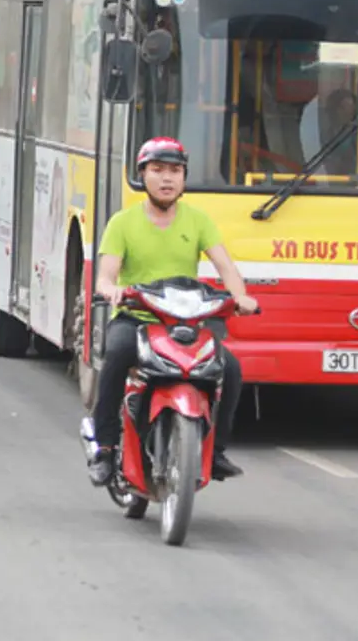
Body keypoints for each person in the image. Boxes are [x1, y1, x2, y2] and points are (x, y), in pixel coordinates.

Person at [86, 137, 257, 487]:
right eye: (158, 170)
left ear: (184, 178)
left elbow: (225, 265)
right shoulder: (123, 222)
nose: (167, 179)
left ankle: (217, 451)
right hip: (138, 320)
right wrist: (111, 289)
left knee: (232, 369)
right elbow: (105, 276)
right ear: (142, 176)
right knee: (116, 354)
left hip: (185, 322)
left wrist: (241, 297)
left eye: (175, 171)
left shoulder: (198, 221)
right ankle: (104, 447)